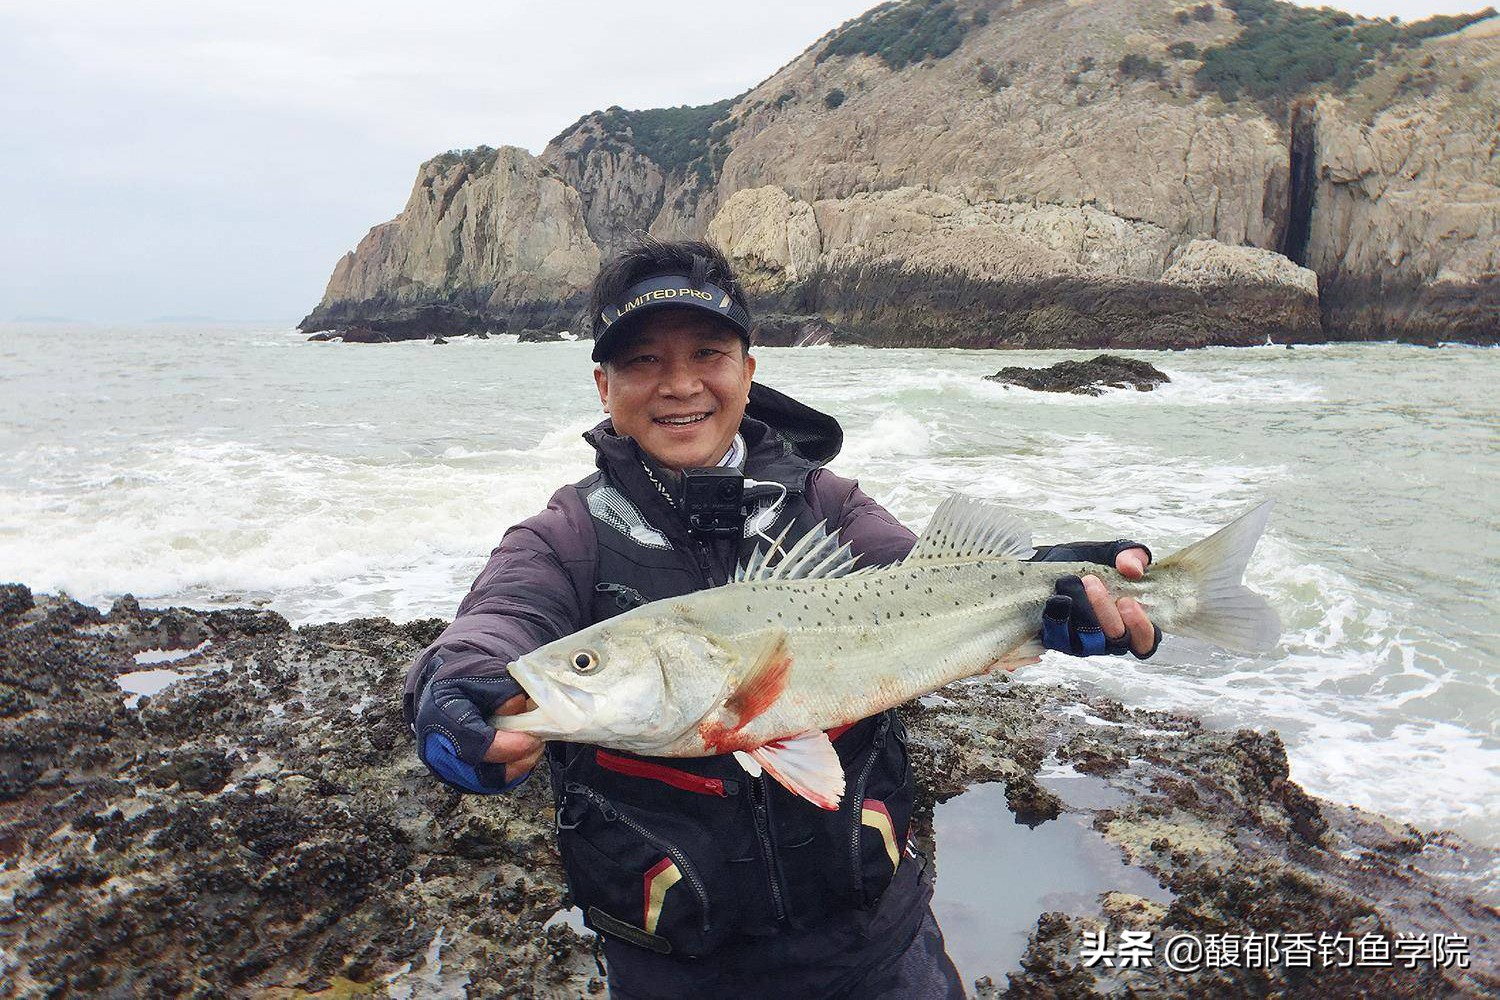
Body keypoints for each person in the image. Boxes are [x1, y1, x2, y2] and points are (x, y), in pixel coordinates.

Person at [403, 235, 1160, 999]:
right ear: (604, 386)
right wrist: (459, 678)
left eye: (707, 353)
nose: (679, 385)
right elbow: (503, 614)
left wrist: (1058, 582)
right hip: (675, 968)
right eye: (642, 362)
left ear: (748, 372)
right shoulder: (564, 534)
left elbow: (923, 579)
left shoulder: (827, 504)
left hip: (875, 942)